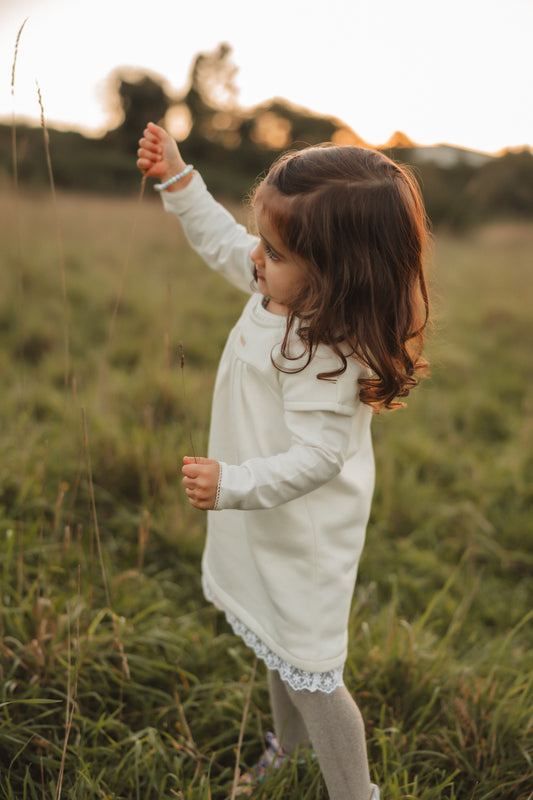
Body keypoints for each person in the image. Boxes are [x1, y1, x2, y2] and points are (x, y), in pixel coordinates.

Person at [137, 121, 430, 800]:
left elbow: (317, 459)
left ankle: (353, 794)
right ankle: (290, 752)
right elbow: (219, 241)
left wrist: (232, 481)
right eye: (263, 243)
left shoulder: (328, 351)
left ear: (336, 273)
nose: (257, 258)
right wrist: (180, 180)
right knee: (275, 640)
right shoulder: (279, 287)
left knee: (309, 667)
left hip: (302, 533)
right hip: (262, 518)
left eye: (274, 249)